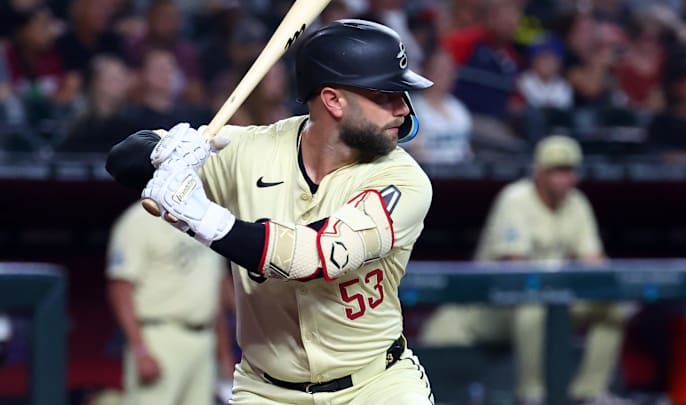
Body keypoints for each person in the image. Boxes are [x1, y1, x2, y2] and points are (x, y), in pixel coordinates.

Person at [106, 19, 435, 405]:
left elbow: (318, 255)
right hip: (268, 391)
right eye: (386, 95)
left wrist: (205, 220)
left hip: (376, 385)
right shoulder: (251, 150)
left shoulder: (405, 179)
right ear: (333, 101)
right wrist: (165, 150)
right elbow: (122, 161)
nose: (404, 109)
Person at [420, 136, 631, 405]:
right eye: (557, 171)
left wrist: (611, 284)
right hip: (490, 308)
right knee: (532, 304)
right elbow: (516, 268)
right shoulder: (515, 198)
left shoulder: (577, 203)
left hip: (552, 301)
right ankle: (532, 396)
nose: (564, 179)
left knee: (612, 308)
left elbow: (594, 261)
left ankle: (589, 394)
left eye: (569, 171)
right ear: (539, 172)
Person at [106, 201, 234, 405]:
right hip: (159, 338)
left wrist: (224, 353)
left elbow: (214, 293)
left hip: (204, 339)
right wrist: (140, 350)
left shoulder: (207, 220)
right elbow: (120, 289)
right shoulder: (139, 220)